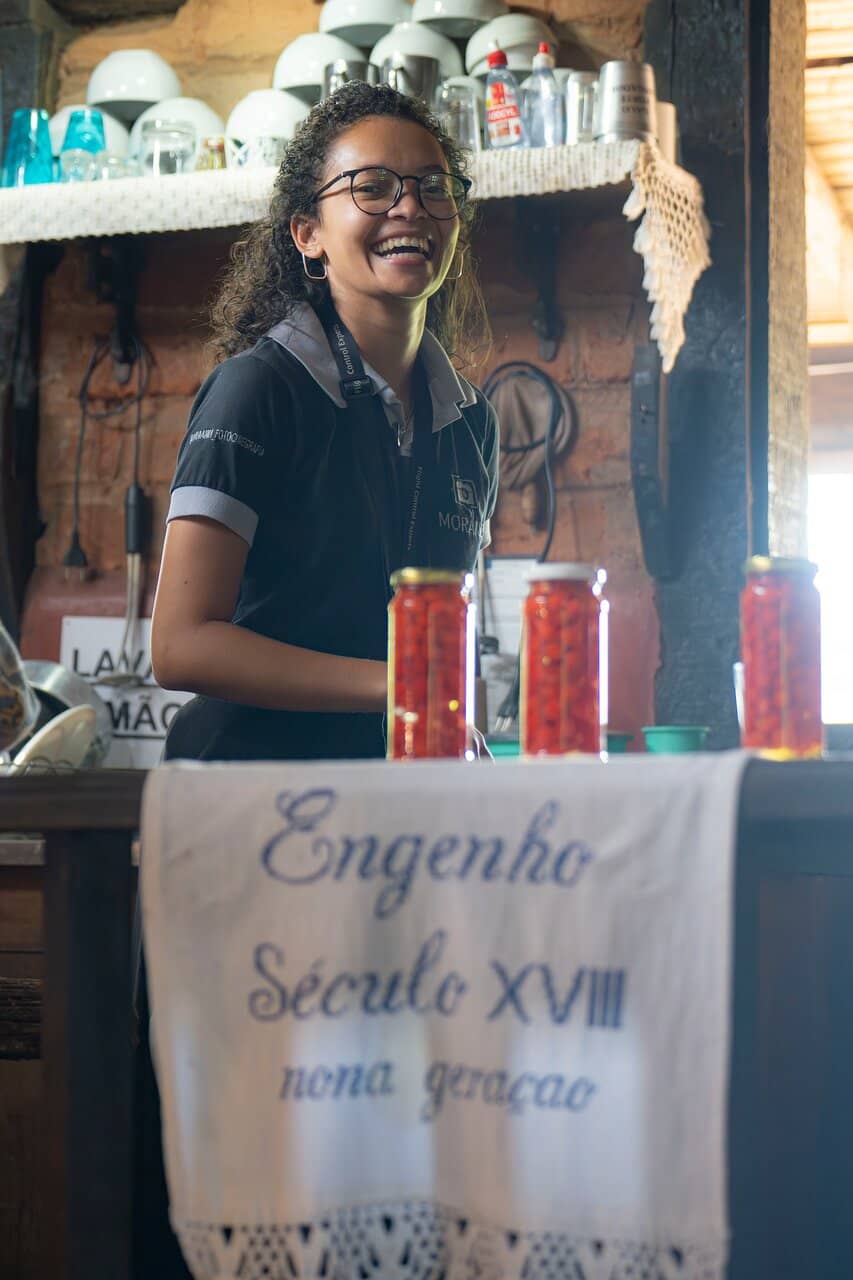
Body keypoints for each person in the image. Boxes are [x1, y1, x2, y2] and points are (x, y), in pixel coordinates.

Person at [151, 81, 499, 763]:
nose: (409, 206)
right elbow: (179, 645)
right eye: (371, 187)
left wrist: (451, 728)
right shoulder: (257, 390)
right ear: (307, 234)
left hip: (393, 801)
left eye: (434, 186)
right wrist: (400, 688)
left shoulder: (469, 421)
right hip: (249, 792)